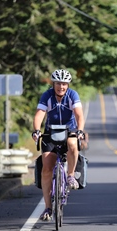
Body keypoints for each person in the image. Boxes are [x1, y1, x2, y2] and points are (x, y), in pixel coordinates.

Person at [32, 69, 85, 221]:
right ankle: (48, 208)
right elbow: (39, 115)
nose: (60, 87)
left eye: (63, 84)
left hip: (69, 131)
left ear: (67, 85)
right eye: (57, 83)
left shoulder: (72, 95)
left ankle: (70, 176)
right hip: (50, 133)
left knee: (72, 144)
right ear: (53, 84)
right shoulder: (47, 96)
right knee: (46, 168)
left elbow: (79, 114)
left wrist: (80, 130)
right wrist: (36, 130)